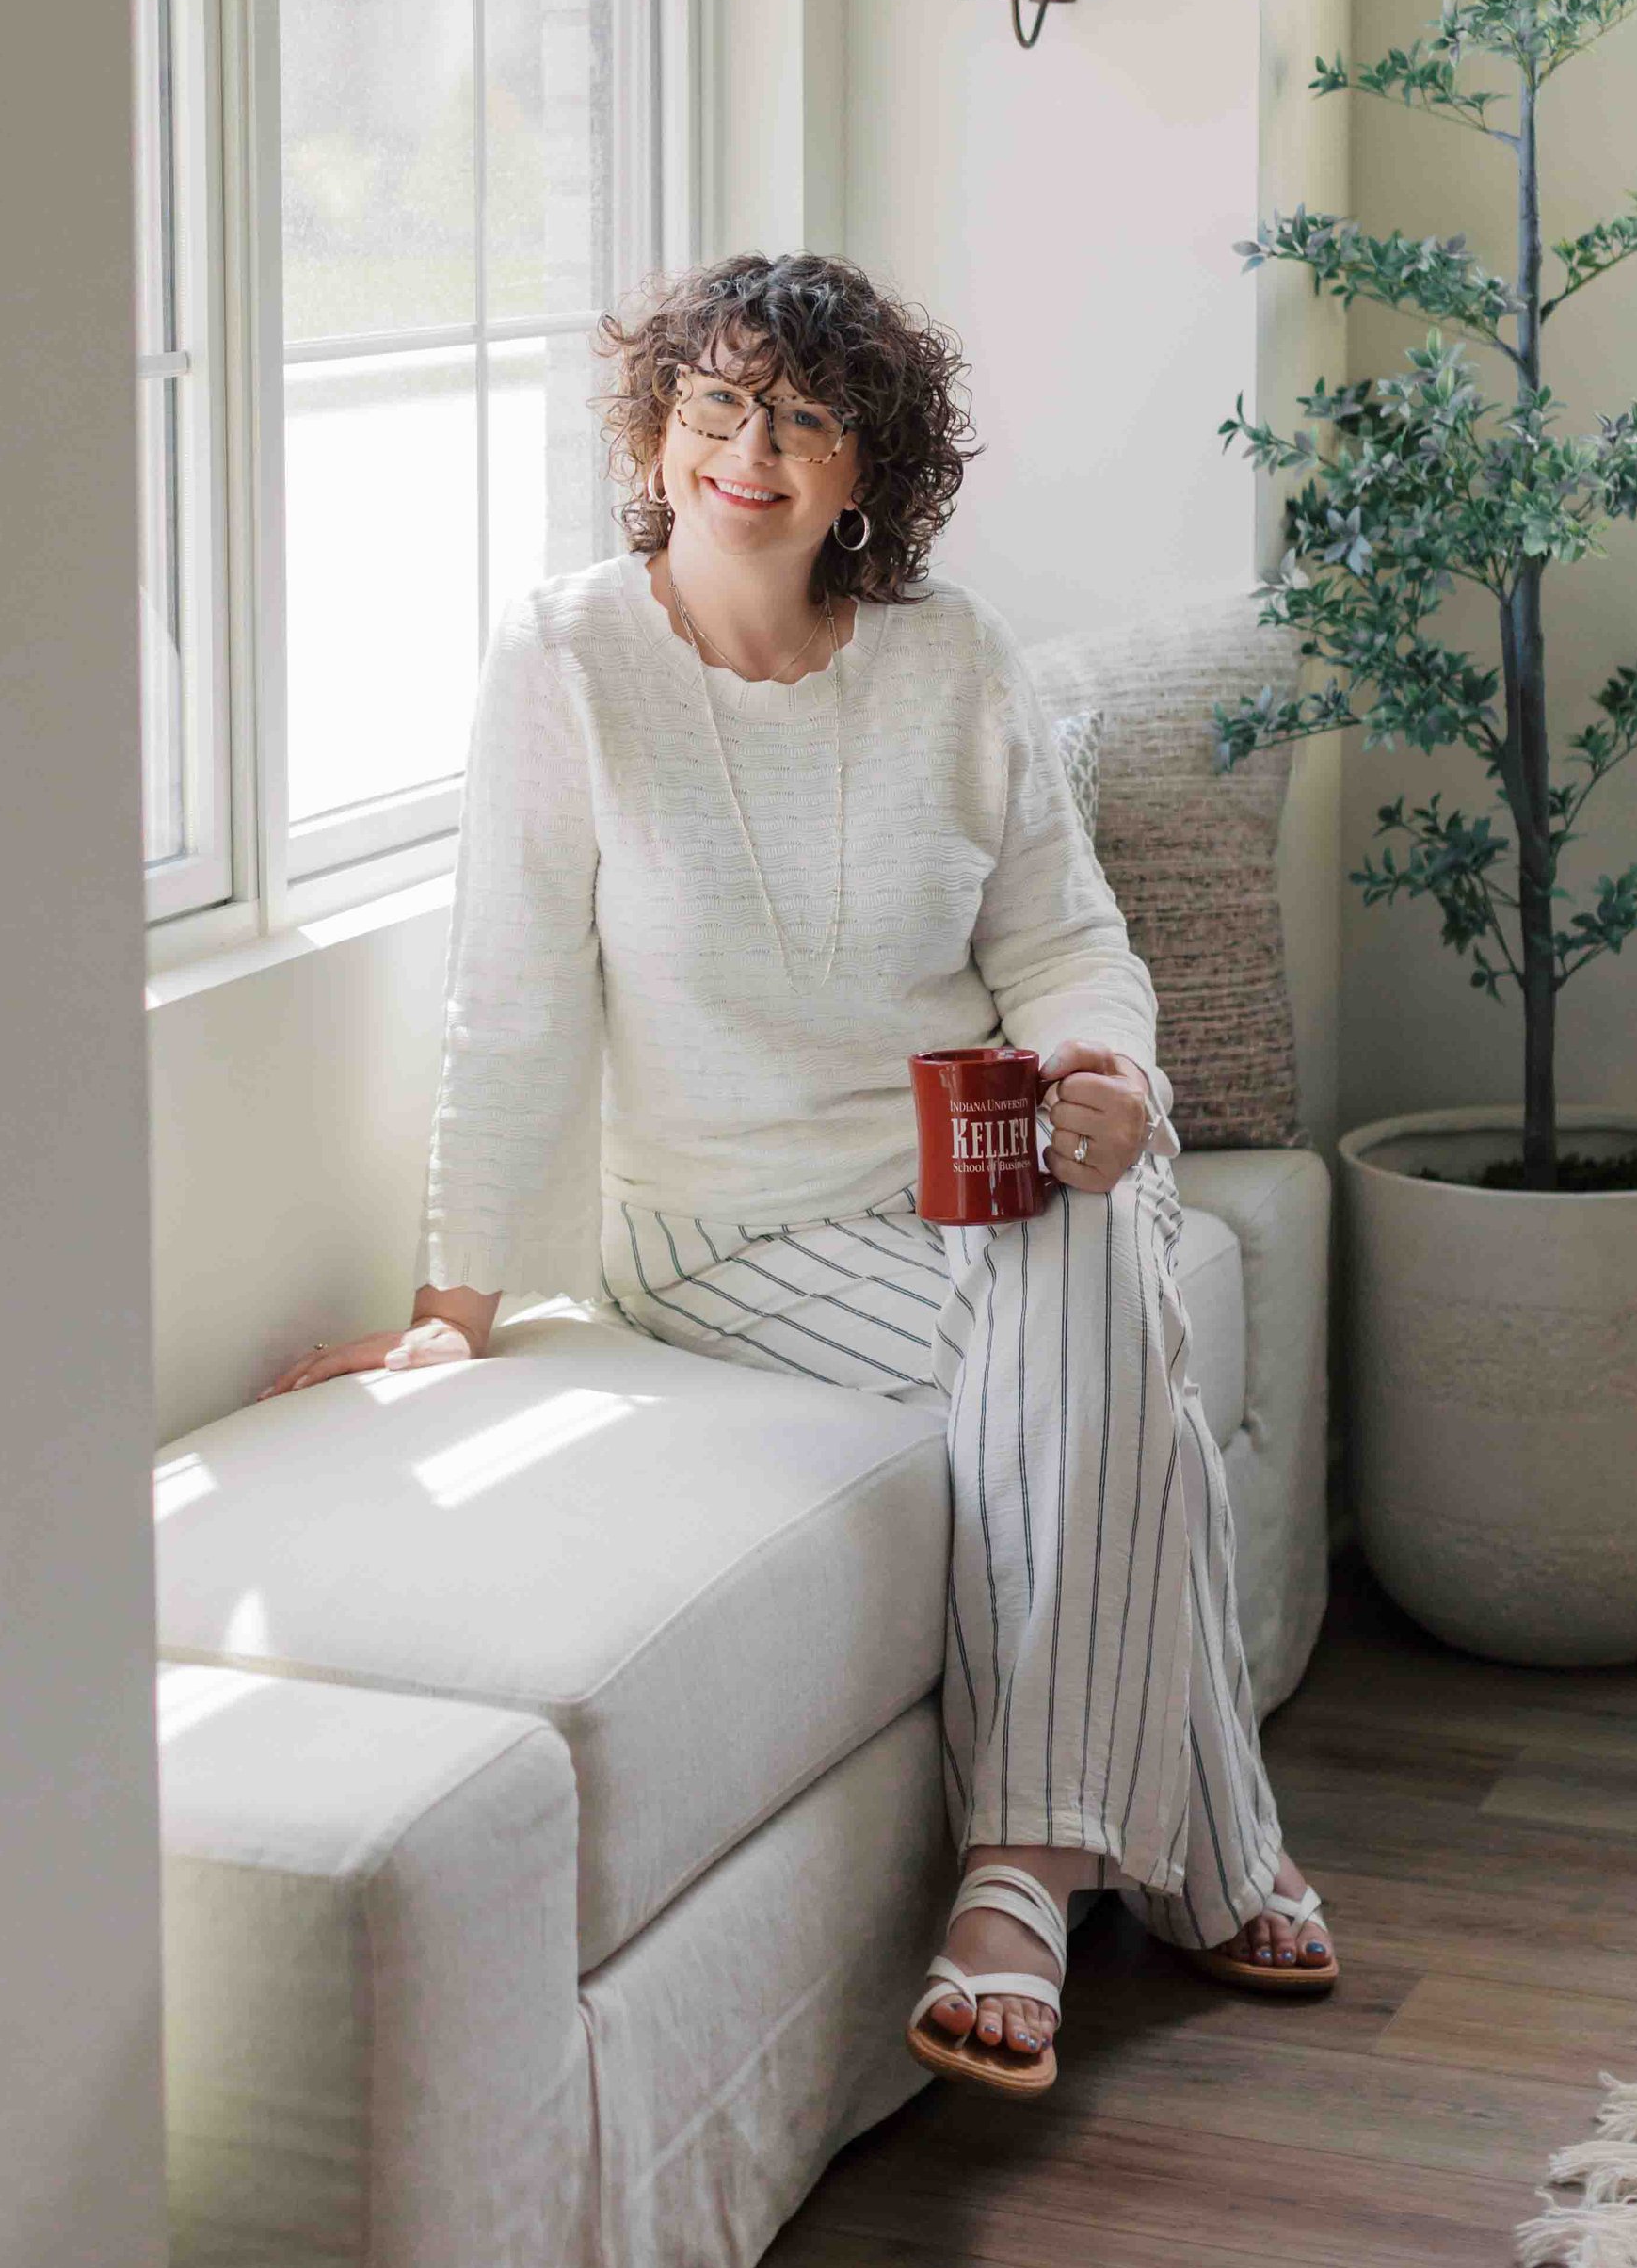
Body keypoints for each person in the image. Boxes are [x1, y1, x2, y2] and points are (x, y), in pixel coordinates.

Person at [264, 251, 1335, 2092]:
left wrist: (1105, 1078)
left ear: (866, 472)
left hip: (994, 1173)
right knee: (1108, 1353)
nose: (748, 449)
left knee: (1084, 1246)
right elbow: (510, 1007)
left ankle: (1022, 1871)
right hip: (733, 1232)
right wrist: (451, 1307)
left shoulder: (949, 658)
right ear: (657, 430)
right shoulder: (566, 659)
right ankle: (1174, 1861)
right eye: (715, 406)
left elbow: (1068, 943)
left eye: (805, 417)